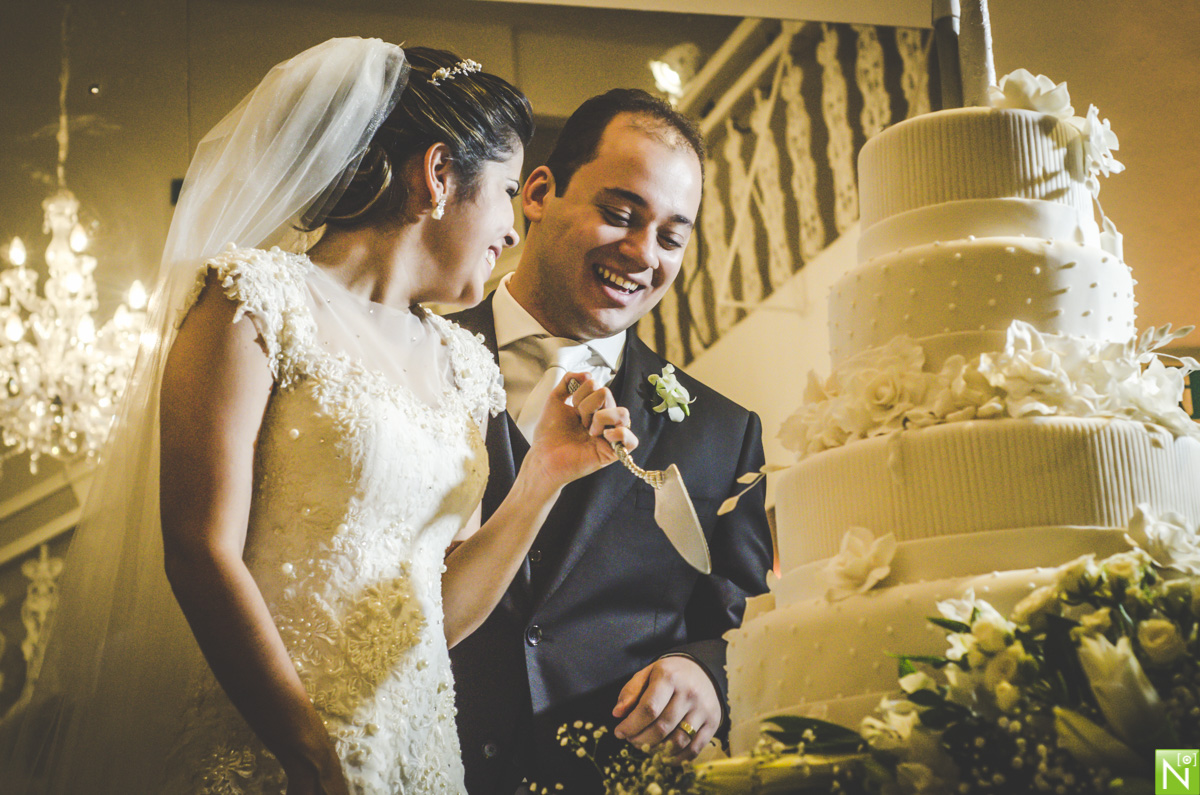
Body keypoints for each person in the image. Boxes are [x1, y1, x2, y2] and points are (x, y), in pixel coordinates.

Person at [0, 38, 636, 795]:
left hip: (423, 760)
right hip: (274, 757)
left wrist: (543, 478)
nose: (512, 227)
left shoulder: (464, 365)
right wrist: (310, 755)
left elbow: (438, 615)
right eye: (503, 190)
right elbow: (200, 547)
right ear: (438, 175)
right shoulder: (255, 302)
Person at [448, 89, 774, 794]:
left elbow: (746, 620)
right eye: (621, 214)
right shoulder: (416, 361)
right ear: (538, 192)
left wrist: (703, 674)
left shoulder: (723, 432)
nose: (640, 253)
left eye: (670, 235)